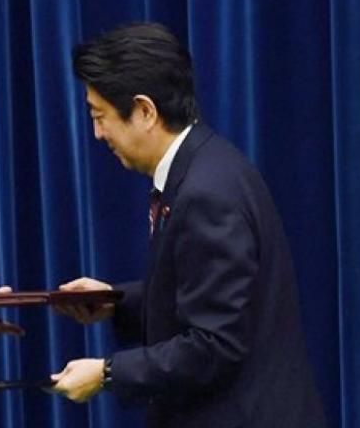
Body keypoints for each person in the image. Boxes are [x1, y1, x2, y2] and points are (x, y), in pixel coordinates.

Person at [50, 23, 326, 427]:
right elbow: (201, 294)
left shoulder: (205, 192)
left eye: (100, 116)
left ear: (144, 111)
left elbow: (215, 344)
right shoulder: (205, 166)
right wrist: (114, 301)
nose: (97, 133)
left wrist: (108, 373)